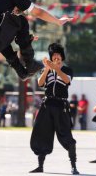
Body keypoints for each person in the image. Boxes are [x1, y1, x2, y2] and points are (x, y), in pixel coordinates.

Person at [30, 43, 79, 175]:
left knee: (66, 135)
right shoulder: (47, 69)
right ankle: (40, 166)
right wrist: (47, 68)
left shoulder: (67, 70)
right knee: (42, 134)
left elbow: (66, 81)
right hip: (47, 105)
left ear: (62, 56)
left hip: (61, 106)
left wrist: (56, 69)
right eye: (53, 55)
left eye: (58, 54)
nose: (55, 56)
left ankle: (74, 166)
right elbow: (40, 83)